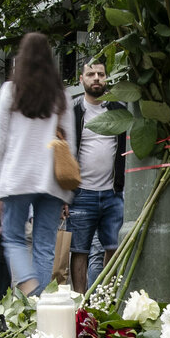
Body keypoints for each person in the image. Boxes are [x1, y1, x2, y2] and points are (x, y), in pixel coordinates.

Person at [0, 32, 76, 296]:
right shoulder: (62, 97)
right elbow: (70, 143)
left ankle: (27, 284)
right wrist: (68, 191)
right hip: (52, 180)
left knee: (13, 237)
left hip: (17, 177)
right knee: (45, 245)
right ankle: (38, 303)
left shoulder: (10, 92)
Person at [67, 62, 127, 293]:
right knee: (79, 250)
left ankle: (107, 296)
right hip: (81, 194)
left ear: (106, 79)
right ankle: (80, 302)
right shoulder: (73, 113)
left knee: (113, 247)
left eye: (101, 74)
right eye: (91, 74)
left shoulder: (118, 112)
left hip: (113, 194)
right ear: (81, 79)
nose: (96, 78)